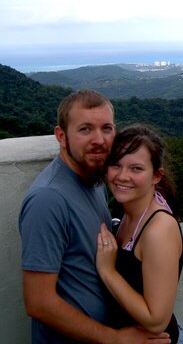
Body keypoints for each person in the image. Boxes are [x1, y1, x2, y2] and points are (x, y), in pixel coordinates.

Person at [19, 89, 171, 344]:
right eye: (85, 129)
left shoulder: (96, 178)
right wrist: (114, 338)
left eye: (107, 128)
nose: (99, 140)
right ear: (61, 136)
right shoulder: (49, 199)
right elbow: (38, 303)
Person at [96, 124, 183, 344]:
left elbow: (156, 320)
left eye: (136, 169)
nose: (122, 176)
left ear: (156, 176)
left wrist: (107, 271)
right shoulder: (129, 212)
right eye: (116, 165)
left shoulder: (158, 231)